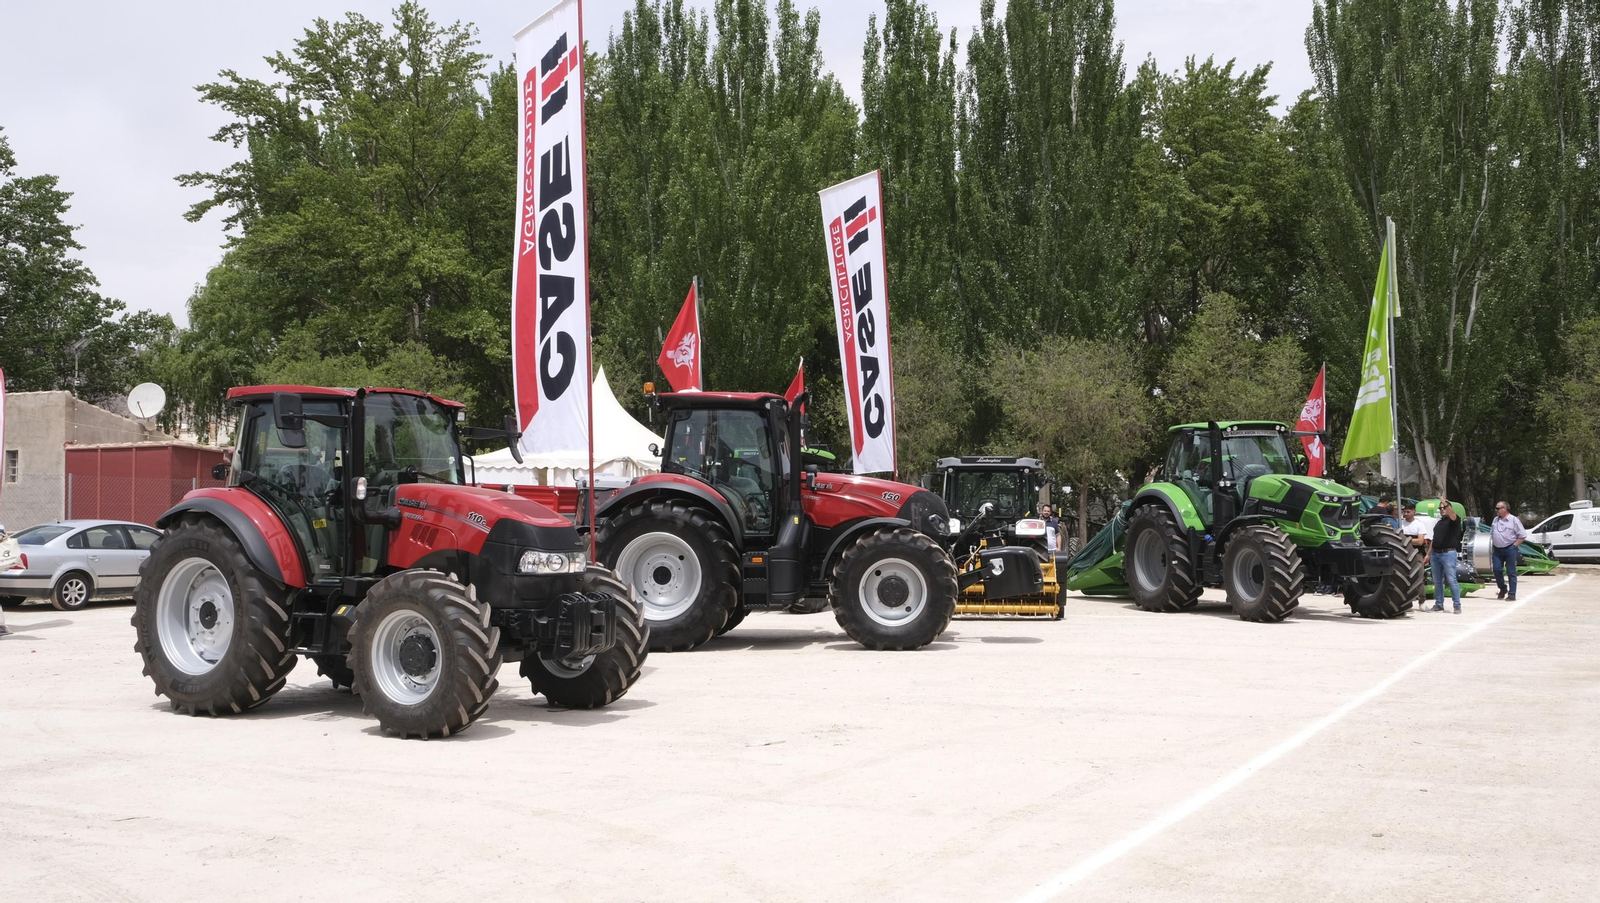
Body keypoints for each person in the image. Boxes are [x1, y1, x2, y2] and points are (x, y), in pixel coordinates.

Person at [1429, 496, 1465, 613]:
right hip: (1436, 554)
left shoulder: (1454, 521)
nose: (1442, 509)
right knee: (1437, 581)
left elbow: (1452, 515)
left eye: (1444, 507)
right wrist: (1428, 554)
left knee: (1451, 579)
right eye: (1440, 508)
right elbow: (1434, 540)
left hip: (1448, 554)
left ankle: (1457, 605)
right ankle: (1439, 604)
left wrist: (1444, 501)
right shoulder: (1439, 523)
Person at [1490, 500, 1528, 601]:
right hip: (1497, 550)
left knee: (1511, 571)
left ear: (1505, 509)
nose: (1496, 510)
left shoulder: (1514, 520)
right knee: (1496, 570)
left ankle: (1512, 594)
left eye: (1498, 508)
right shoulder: (1495, 520)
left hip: (1509, 548)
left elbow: (1522, 535)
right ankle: (1503, 588)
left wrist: (1514, 546)